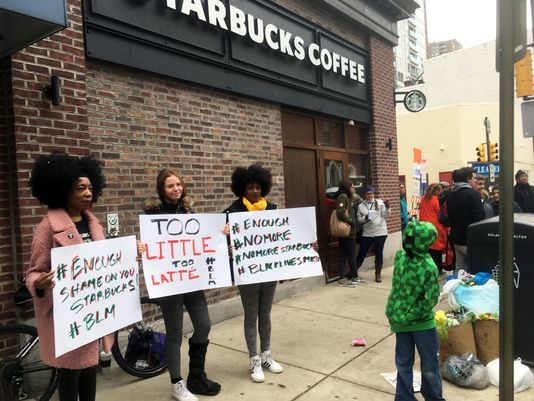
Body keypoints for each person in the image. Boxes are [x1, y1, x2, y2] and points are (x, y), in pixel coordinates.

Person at [25, 152, 132, 401]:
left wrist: (129, 254)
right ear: (62, 190)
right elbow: (33, 272)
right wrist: (40, 283)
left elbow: (104, 263)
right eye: (79, 188)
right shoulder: (47, 228)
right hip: (66, 316)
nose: (87, 193)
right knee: (70, 374)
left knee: (90, 370)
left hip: (91, 311)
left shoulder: (94, 224)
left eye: (90, 187)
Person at [143, 169, 220, 401]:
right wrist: (141, 248)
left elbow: (201, 239)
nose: (176, 189)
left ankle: (196, 375)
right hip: (170, 283)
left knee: (204, 324)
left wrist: (219, 233)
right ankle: (177, 383)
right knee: (175, 333)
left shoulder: (188, 211)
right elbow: (150, 246)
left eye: (178, 184)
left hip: (191, 278)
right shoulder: (152, 215)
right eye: (170, 186)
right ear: (161, 190)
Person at [223, 164, 284, 383]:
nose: (255, 191)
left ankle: (266, 354)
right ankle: (254, 360)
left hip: (268, 271)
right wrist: (227, 243)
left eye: (258, 187)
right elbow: (221, 241)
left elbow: (283, 236)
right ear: (242, 189)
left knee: (265, 313)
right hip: (247, 273)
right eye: (250, 188)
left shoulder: (272, 209)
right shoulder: (233, 213)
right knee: (251, 315)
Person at [385, 220, 445, 401]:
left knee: (423, 364)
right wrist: (398, 313)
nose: (407, 241)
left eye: (410, 238)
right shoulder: (404, 257)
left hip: (415, 324)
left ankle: (429, 397)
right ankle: (407, 397)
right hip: (408, 324)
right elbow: (399, 287)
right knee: (412, 364)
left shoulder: (424, 265)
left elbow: (429, 300)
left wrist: (403, 315)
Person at [445, 167, 485, 272]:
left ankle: (457, 286)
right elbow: (480, 216)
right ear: (468, 179)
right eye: (474, 178)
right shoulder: (472, 194)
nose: (476, 181)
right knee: (473, 270)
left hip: (456, 238)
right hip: (471, 239)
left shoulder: (450, 193)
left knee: (459, 268)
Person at [356, 186, 391, 283]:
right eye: (368, 193)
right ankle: (353, 272)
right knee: (362, 253)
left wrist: (388, 207)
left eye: (371, 193)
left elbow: (386, 216)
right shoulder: (361, 206)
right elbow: (359, 220)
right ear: (365, 195)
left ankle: (378, 274)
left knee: (378, 253)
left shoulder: (380, 203)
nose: (370, 195)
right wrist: (365, 219)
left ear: (373, 194)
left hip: (380, 232)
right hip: (367, 232)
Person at [334, 180, 360, 288]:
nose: (353, 188)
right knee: (350, 254)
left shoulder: (347, 197)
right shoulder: (343, 196)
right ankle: (354, 276)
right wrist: (351, 221)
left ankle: (343, 278)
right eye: (352, 186)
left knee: (344, 255)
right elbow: (340, 213)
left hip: (349, 231)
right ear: (347, 187)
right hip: (347, 232)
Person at [418, 183, 448, 274]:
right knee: (437, 251)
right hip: (435, 227)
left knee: (428, 250)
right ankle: (438, 269)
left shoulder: (423, 199)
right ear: (436, 191)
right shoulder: (436, 200)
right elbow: (440, 214)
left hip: (424, 227)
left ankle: (428, 269)